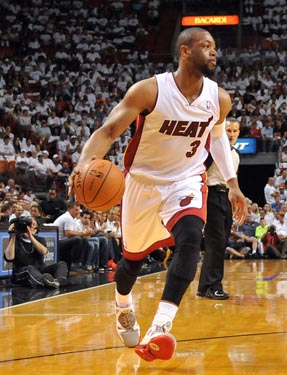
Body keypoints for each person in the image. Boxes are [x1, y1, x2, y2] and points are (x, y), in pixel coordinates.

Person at [69, 27, 247, 361]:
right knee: (131, 262)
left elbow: (219, 139)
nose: (214, 52)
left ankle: (160, 327)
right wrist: (83, 163)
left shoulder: (219, 98)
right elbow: (109, 130)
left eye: (215, 48)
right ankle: (123, 305)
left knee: (193, 235)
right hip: (143, 184)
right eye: (206, 46)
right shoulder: (150, 91)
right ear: (184, 51)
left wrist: (233, 184)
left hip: (186, 180)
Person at [196, 118, 241, 301]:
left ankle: (204, 286)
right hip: (212, 195)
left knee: (220, 244)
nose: (231, 134)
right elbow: (200, 172)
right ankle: (214, 286)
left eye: (234, 131)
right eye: (228, 131)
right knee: (215, 244)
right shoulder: (212, 150)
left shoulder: (236, 154)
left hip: (226, 197)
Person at [3, 216, 68, 288]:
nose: (30, 227)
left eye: (33, 225)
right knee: (29, 268)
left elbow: (43, 252)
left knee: (61, 263)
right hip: (21, 273)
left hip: (40, 271)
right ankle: (45, 283)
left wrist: (31, 237)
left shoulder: (40, 239)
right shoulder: (16, 240)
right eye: (28, 225)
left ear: (37, 228)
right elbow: (9, 258)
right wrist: (13, 235)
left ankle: (58, 282)